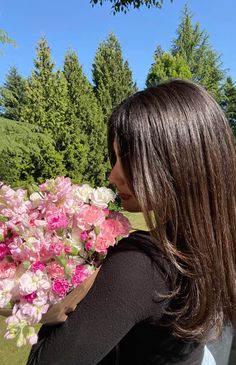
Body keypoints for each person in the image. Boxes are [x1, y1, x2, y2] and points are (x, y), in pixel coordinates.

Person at [26, 79, 236, 365]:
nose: (113, 176)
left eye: (129, 158)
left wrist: (51, 313)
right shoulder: (214, 244)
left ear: (177, 162)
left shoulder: (140, 263)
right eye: (115, 157)